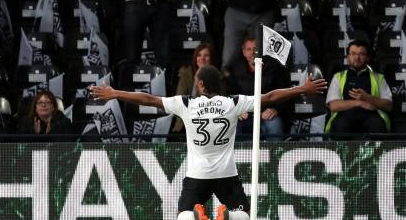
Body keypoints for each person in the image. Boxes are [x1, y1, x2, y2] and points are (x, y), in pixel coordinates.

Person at [91, 65, 327, 219]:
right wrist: (302, 88)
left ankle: (194, 217)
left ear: (201, 85)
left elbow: (150, 99)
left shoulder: (187, 103)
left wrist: (116, 93)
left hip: (197, 174)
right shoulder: (233, 103)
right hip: (226, 173)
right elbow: (271, 97)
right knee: (244, 215)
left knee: (182, 215)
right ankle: (230, 216)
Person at [325, 40, 392, 137]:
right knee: (340, 125)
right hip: (344, 116)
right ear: (347, 57)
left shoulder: (378, 78)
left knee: (377, 125)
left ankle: (375, 152)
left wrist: (368, 97)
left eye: (362, 54)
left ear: (367, 58)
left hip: (371, 115)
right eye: (353, 54)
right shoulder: (338, 77)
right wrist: (360, 102)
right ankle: (344, 152)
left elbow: (388, 106)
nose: (357, 58)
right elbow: (334, 105)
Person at [229, 36, 288, 141]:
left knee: (275, 125)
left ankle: (275, 157)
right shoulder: (236, 70)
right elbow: (231, 95)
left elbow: (285, 93)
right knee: (233, 126)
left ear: (262, 50)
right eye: (249, 49)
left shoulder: (275, 68)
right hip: (245, 115)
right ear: (244, 52)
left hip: (266, 115)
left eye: (255, 49)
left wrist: (276, 110)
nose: (252, 53)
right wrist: (238, 110)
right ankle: (238, 157)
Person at [221, 0, 275, 77]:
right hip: (235, 10)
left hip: (263, 12)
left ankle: (263, 85)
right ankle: (227, 82)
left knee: (262, 56)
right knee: (230, 56)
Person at [173, 42, 216, 133]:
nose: (202, 59)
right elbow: (179, 101)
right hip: (185, 125)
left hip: (209, 125)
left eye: (206, 55)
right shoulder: (186, 74)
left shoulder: (218, 77)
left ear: (212, 58)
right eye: (199, 55)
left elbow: (215, 105)